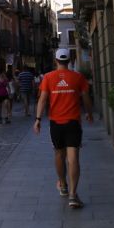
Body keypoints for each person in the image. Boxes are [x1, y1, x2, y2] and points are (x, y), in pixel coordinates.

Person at [33, 49, 93, 208]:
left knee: (59, 154)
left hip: (56, 123)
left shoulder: (48, 77)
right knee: (73, 158)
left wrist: (38, 119)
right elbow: (86, 97)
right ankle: (73, 196)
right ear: (69, 60)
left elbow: (43, 99)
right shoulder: (78, 77)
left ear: (56, 60)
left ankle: (63, 184)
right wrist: (89, 113)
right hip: (73, 122)